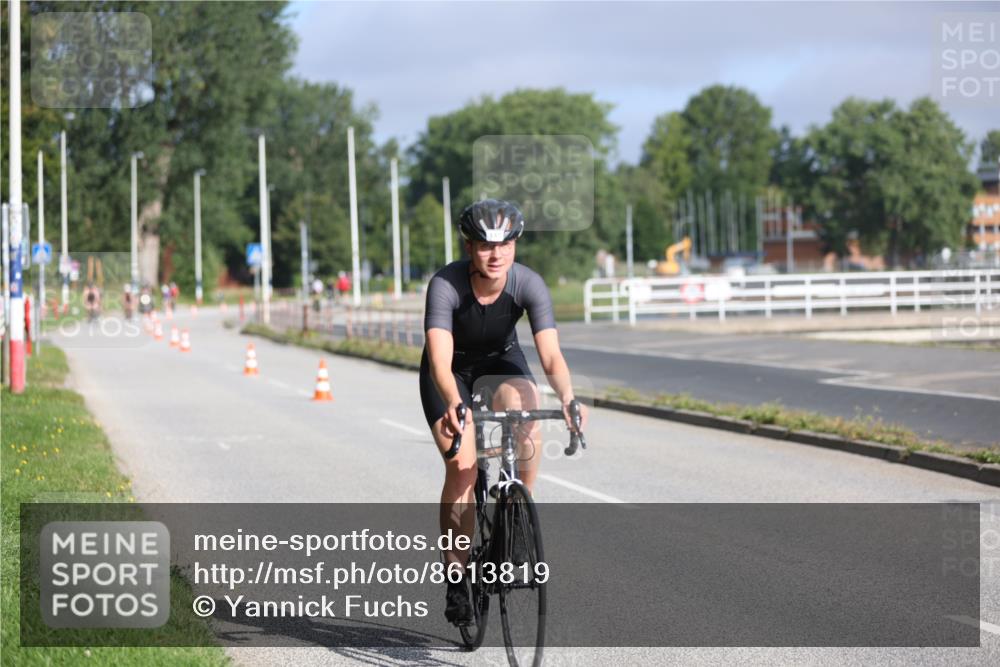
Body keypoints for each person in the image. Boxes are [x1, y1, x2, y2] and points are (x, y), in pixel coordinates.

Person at [419, 199, 588, 625]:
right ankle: (456, 575)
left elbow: (550, 354)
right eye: (485, 246)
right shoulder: (446, 284)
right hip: (450, 371)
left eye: (506, 245)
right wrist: (455, 402)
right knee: (462, 467)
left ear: (515, 245)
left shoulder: (527, 284)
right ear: (469, 246)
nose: (496, 256)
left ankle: (514, 520)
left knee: (527, 414)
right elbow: (440, 360)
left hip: (501, 362)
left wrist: (567, 396)